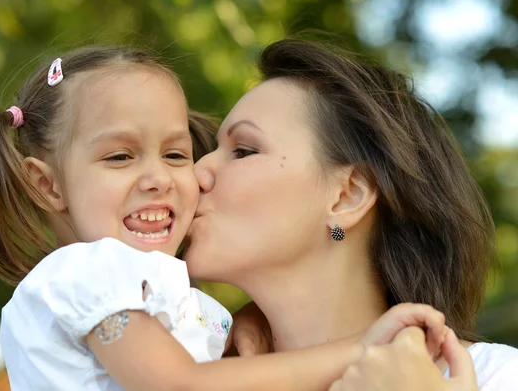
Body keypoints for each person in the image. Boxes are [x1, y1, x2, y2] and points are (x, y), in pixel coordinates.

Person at [0, 45, 445, 390]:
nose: (184, 176)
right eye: (119, 158)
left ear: (346, 195)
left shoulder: (173, 307)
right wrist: (362, 347)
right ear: (47, 185)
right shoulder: (88, 273)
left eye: (175, 155)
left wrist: (245, 325)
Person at [184, 37, 518, 390]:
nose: (195, 174)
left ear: (347, 197)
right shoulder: (166, 367)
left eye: (244, 151)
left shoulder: (494, 377)